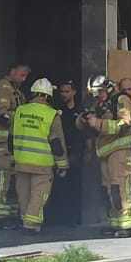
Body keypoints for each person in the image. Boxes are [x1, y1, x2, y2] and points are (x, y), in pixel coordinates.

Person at [77, 75, 131, 237]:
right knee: (108, 189)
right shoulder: (98, 104)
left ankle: (127, 225)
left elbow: (124, 124)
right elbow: (82, 124)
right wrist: (84, 119)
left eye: (100, 92)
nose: (98, 96)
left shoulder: (121, 100)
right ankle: (115, 224)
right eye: (95, 93)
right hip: (104, 152)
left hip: (120, 152)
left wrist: (99, 124)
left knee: (119, 189)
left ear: (108, 88)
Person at [9, 78, 68, 233]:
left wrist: (12, 159)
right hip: (42, 164)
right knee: (39, 195)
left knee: (23, 194)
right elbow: (57, 144)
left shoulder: (20, 111)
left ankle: (25, 221)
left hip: (21, 161)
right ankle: (31, 224)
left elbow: (11, 138)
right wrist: (62, 165)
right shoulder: (51, 114)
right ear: (48, 96)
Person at [0, 62, 30, 229]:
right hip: (1, 142)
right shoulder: (3, 87)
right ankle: (0, 216)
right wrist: (21, 116)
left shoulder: (16, 90)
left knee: (12, 178)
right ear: (12, 71)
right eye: (22, 75)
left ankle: (10, 214)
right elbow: (1, 115)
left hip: (12, 142)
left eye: (25, 76)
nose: (23, 79)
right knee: (4, 178)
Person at [47, 80, 83, 226]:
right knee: (58, 186)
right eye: (62, 92)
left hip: (75, 151)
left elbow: (86, 133)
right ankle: (57, 217)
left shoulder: (80, 110)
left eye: (67, 91)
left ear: (73, 92)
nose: (64, 94)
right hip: (59, 153)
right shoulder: (56, 111)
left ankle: (72, 218)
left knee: (74, 186)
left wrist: (87, 151)